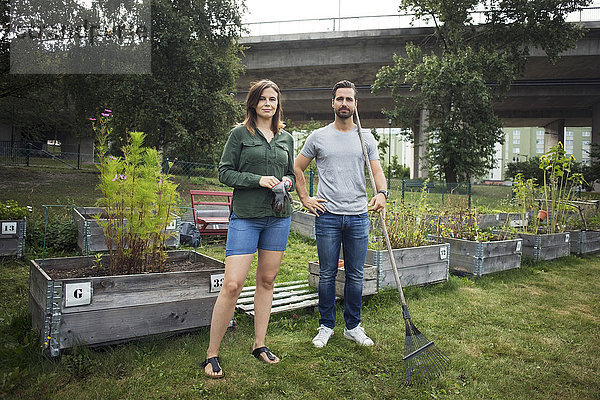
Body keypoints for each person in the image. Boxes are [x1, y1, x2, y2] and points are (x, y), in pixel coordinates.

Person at [202, 79, 295, 378]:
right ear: (253, 103)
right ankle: (211, 353)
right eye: (263, 99)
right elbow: (224, 172)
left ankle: (259, 344)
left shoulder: (286, 138)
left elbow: (291, 171)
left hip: (278, 217)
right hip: (246, 216)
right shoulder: (239, 134)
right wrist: (257, 180)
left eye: (273, 99)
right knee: (232, 284)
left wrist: (288, 182)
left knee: (267, 280)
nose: (269, 104)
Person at [294, 80, 387, 348]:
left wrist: (382, 193)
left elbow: (377, 171)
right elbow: (297, 167)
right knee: (327, 274)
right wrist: (305, 198)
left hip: (358, 216)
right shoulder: (318, 137)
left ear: (355, 104)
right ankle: (326, 326)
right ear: (332, 103)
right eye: (340, 99)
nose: (344, 103)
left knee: (356, 275)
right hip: (328, 217)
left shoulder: (365, 138)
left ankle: (353, 326)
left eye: (349, 99)